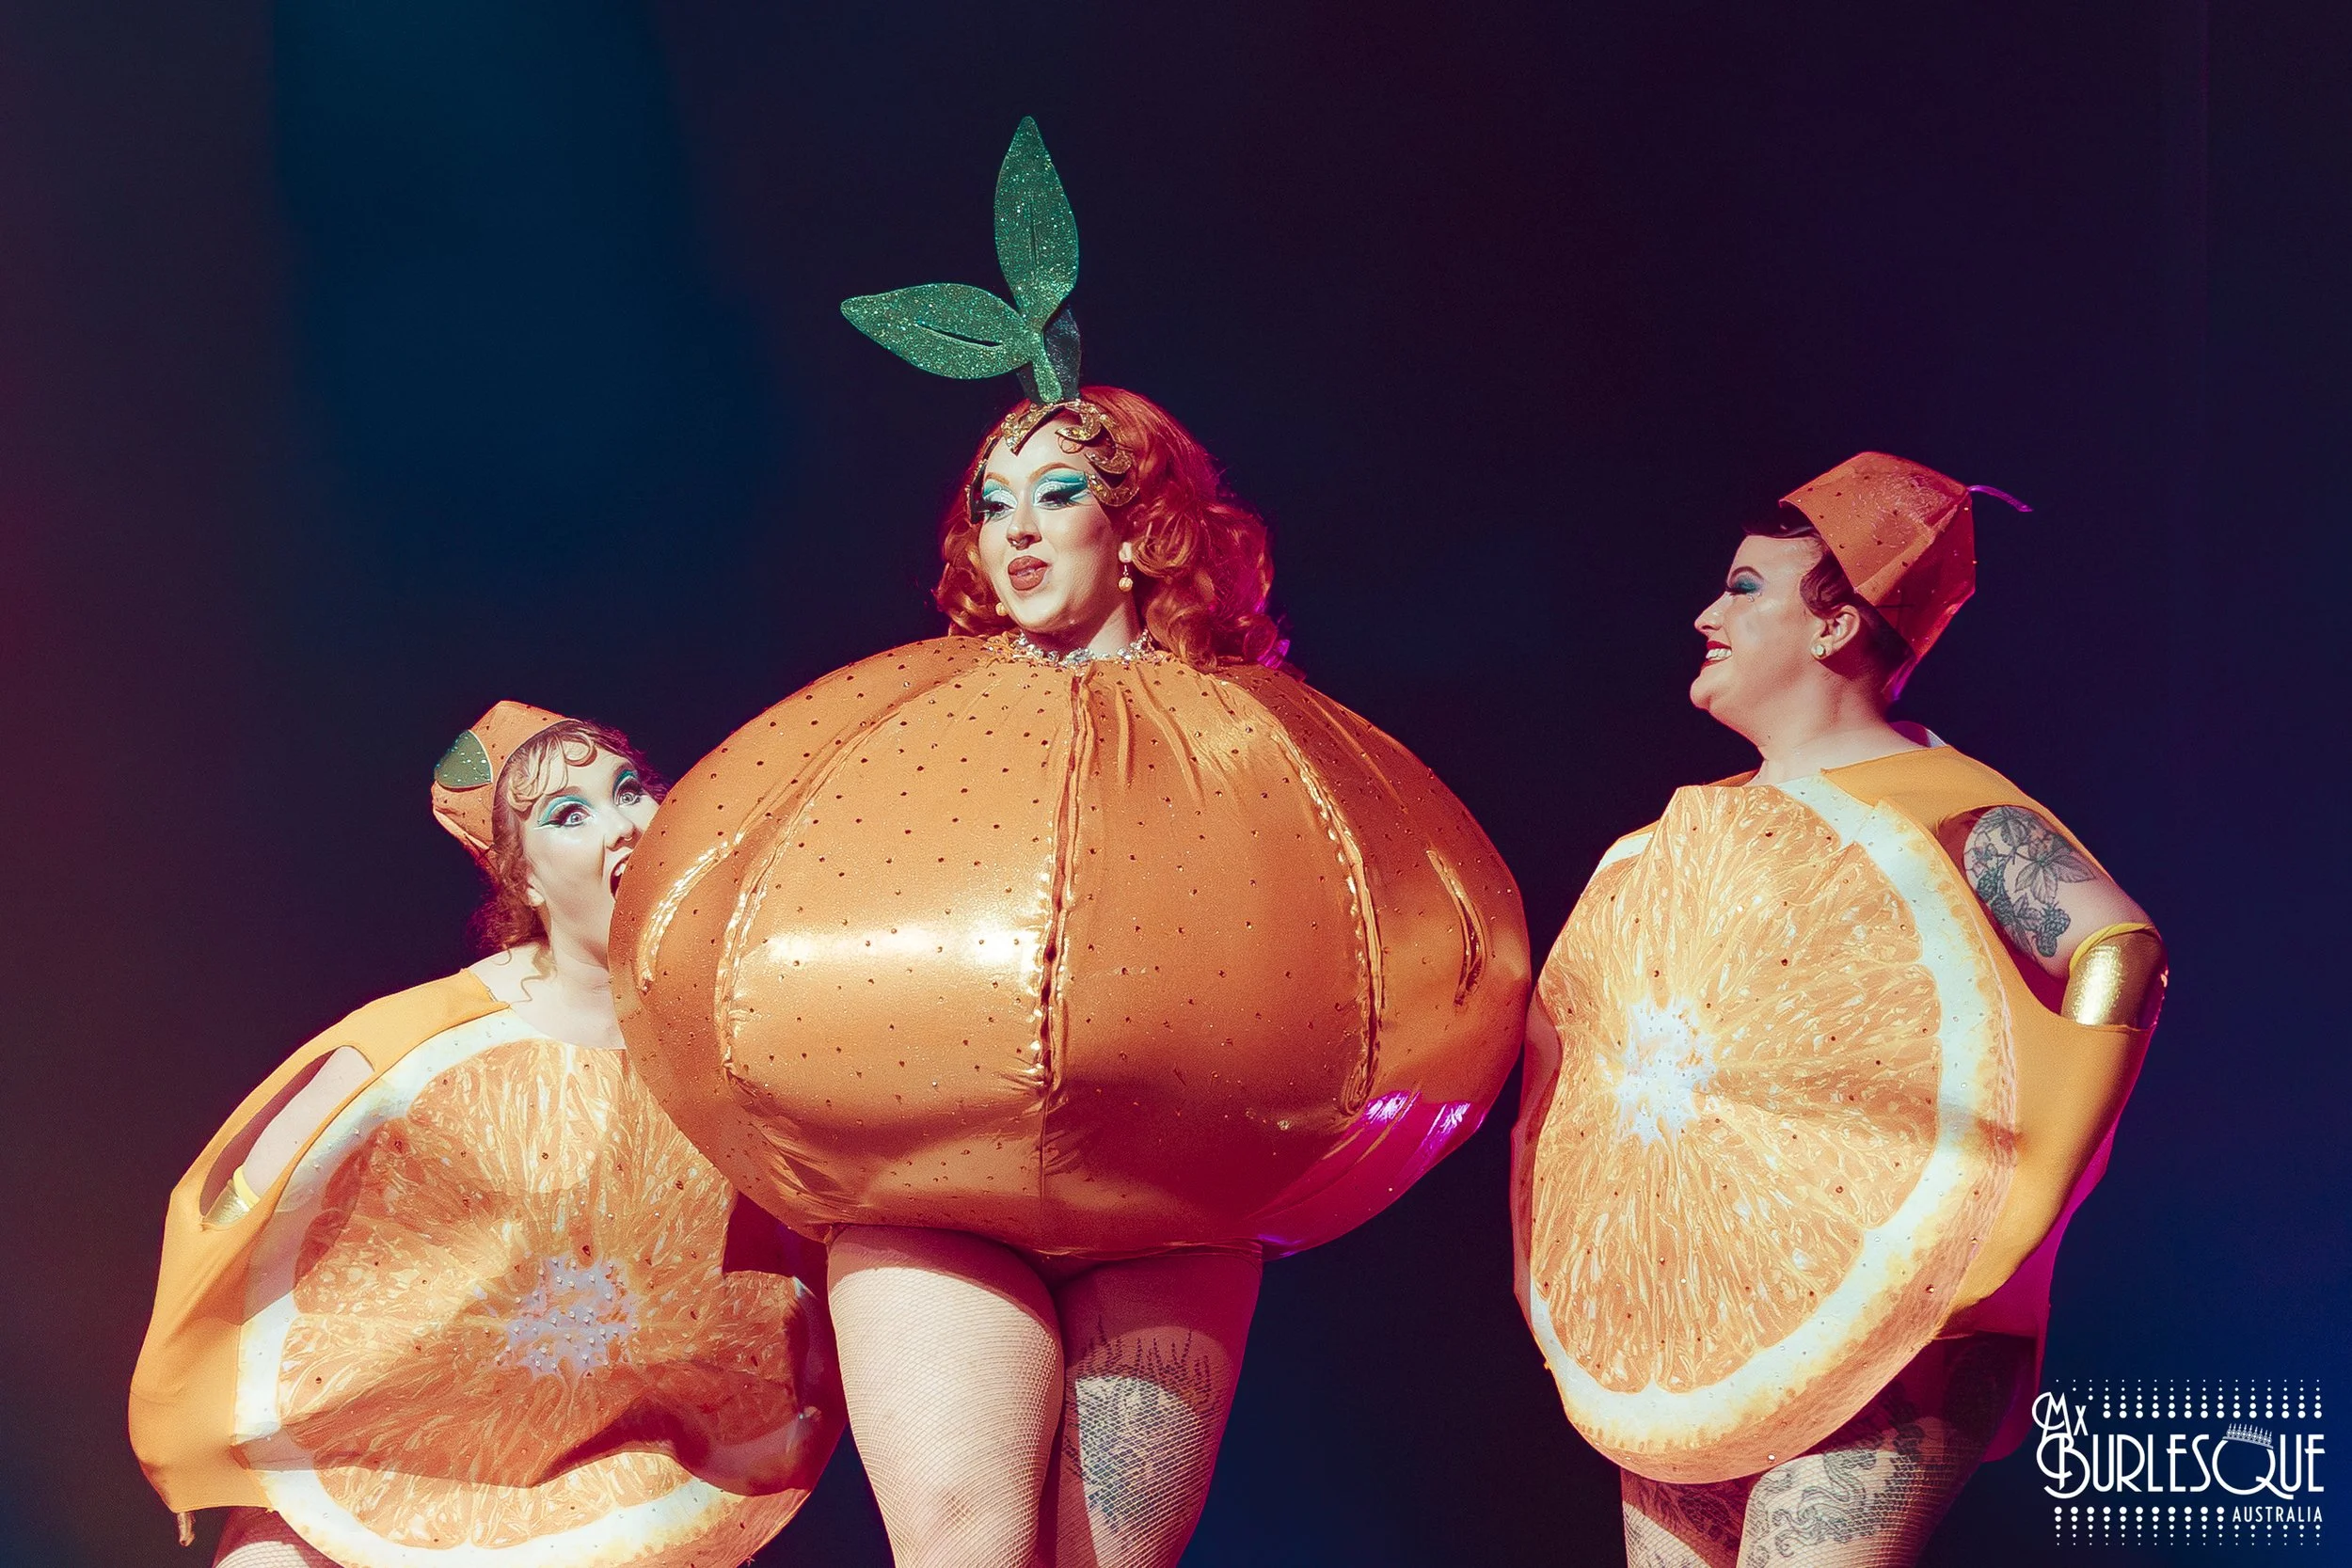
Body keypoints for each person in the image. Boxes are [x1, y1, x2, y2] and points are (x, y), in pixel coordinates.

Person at [613, 119, 1529, 1568]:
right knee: (967, 1542)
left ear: (1142, 525)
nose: (1017, 536)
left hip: (1172, 1209)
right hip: (927, 1189)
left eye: (1058, 496)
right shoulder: (898, 722)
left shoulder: (1256, 740)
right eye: (992, 504)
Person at [1513, 453, 2167, 1567]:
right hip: (1697, 1317)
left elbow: (2119, 950)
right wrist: (1547, 1275)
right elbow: (1582, 1073)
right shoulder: (1674, 848)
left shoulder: (1947, 809)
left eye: (1743, 587)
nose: (1705, 614)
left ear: (1835, 626)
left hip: (1896, 1324)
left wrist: (2019, 1200)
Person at [129, 703, 839, 1568]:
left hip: (616, 1467)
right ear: (524, 881)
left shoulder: (726, 1030)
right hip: (412, 1453)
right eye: (568, 814)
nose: (622, 822)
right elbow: (245, 1212)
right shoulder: (425, 1043)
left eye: (629, 789)